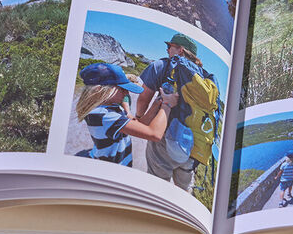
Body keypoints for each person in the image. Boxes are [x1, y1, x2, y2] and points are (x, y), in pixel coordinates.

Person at [135, 33, 216, 191]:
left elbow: (143, 98)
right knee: (183, 189)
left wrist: (139, 118)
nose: (167, 49)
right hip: (193, 146)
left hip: (165, 142)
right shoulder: (203, 77)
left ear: (180, 50)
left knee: (156, 186)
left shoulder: (162, 66)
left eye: (170, 46)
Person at [75, 62, 178, 167]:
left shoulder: (113, 107)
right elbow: (154, 134)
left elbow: (141, 124)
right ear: (102, 90)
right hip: (112, 168)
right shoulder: (103, 115)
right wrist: (167, 105)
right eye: (122, 89)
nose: (126, 94)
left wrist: (157, 102)